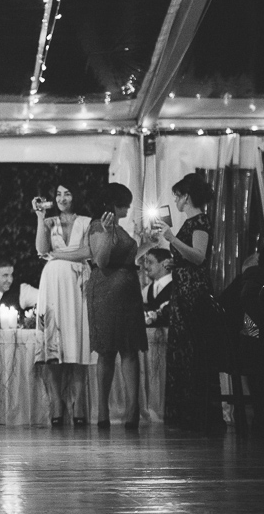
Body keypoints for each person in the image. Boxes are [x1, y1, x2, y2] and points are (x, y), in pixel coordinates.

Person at [154, 172, 220, 432]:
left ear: (187, 197)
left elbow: (199, 257)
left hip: (194, 293)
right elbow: (188, 255)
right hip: (183, 290)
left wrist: (171, 239)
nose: (176, 201)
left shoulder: (200, 221)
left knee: (193, 348)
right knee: (183, 348)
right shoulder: (192, 222)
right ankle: (185, 412)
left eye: (178, 196)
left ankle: (196, 412)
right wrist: (174, 260)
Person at [86, 183, 148, 429]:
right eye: (125, 203)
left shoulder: (120, 228)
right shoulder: (97, 226)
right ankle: (103, 412)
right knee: (107, 351)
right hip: (105, 292)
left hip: (129, 292)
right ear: (114, 203)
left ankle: (132, 412)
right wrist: (109, 232)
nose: (129, 207)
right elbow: (101, 261)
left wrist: (149, 244)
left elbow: (129, 258)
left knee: (130, 350)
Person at [32, 184, 94, 427]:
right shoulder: (50, 222)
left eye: (67, 193)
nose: (62, 198)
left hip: (78, 281)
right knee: (53, 344)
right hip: (53, 282)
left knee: (78, 340)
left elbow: (87, 251)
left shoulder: (88, 222)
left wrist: (59, 256)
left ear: (76, 195)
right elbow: (41, 249)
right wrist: (40, 218)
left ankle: (79, 404)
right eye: (58, 194)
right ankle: (57, 403)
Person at [141, 247, 175, 328]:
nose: (146, 266)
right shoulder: (146, 290)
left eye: (150, 262)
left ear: (164, 263)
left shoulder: (176, 286)